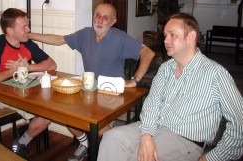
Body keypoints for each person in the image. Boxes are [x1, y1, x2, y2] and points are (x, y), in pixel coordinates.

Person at [97, 13, 243, 161]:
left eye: (172, 35)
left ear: (191, 37)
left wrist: (213, 157)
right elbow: (152, 103)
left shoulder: (215, 74)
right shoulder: (166, 68)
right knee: (111, 138)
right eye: (165, 35)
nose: (166, 40)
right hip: (152, 128)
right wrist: (147, 135)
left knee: (134, 157)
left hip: (185, 141)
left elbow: (240, 123)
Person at [29, 3, 155, 161]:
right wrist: (30, 35)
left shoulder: (120, 37)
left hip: (111, 93)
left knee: (102, 130)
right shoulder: (85, 34)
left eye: (105, 17)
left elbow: (148, 53)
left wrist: (135, 80)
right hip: (89, 90)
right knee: (68, 117)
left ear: (113, 21)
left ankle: (117, 152)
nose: (100, 20)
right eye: (97, 15)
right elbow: (59, 40)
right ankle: (87, 145)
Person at [0, 8, 57, 157]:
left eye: (28, 25)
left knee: (52, 112)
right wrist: (13, 70)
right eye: (24, 27)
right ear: (10, 31)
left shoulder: (27, 43)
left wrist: (28, 67)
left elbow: (52, 64)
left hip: (22, 94)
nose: (29, 30)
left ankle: (21, 142)